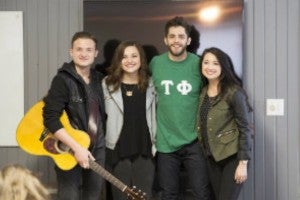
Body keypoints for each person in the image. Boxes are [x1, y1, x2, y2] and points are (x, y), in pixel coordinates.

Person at [149, 16, 211, 199]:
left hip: (194, 141)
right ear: (166, 40)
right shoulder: (155, 63)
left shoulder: (199, 64)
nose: (177, 40)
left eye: (181, 36)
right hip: (165, 142)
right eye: (172, 36)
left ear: (188, 40)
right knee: (168, 193)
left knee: (201, 192)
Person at [43, 31, 106, 200]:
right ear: (71, 51)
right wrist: (77, 148)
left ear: (95, 53)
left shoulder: (99, 79)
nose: (84, 54)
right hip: (69, 150)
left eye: (88, 50)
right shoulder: (62, 80)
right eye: (79, 49)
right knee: (69, 196)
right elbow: (50, 118)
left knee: (92, 196)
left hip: (96, 150)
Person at [102, 41, 156, 200]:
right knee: (120, 198)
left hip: (145, 150)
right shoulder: (107, 84)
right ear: (118, 60)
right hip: (117, 150)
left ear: (141, 59)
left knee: (144, 197)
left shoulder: (151, 84)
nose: (129, 60)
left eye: (134, 56)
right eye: (124, 57)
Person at [197, 47, 252, 200]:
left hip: (232, 158)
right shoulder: (203, 92)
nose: (210, 67)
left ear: (223, 66)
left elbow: (245, 129)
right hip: (212, 158)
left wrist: (243, 164)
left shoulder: (234, 92)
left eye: (215, 63)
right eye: (206, 62)